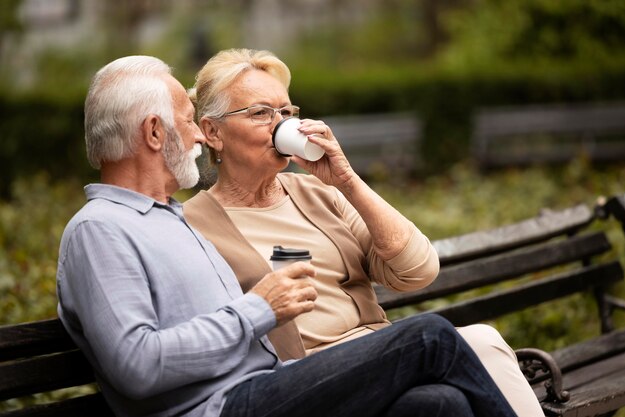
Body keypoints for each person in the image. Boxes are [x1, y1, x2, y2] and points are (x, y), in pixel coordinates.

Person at [56, 55, 516, 417]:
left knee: (440, 407)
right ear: (155, 132)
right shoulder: (100, 229)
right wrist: (259, 309)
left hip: (274, 388)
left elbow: (415, 269)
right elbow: (137, 366)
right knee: (428, 337)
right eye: (188, 119)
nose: (196, 134)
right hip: (227, 406)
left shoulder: (169, 219)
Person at [184, 48, 544, 417]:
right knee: (476, 345)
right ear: (213, 132)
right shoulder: (192, 226)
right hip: (310, 383)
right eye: (261, 113)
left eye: (287, 113)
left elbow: (418, 271)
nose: (280, 125)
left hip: (384, 359)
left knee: (444, 401)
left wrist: (347, 182)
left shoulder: (319, 194)